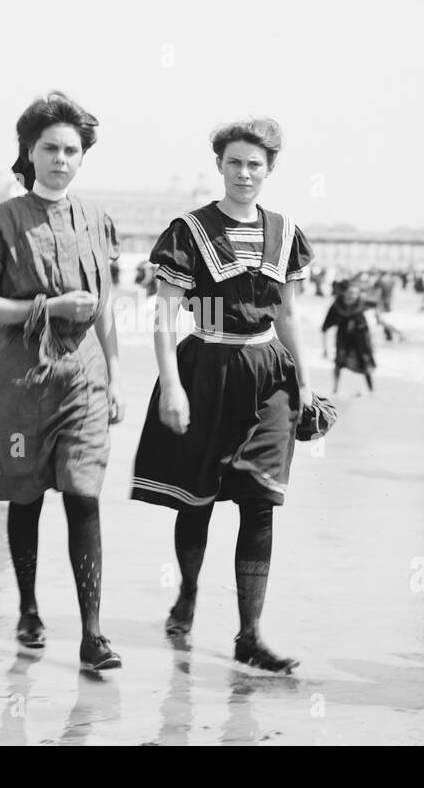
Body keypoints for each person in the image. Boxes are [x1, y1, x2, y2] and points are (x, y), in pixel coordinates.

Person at [131, 118, 314, 674]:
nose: (244, 173)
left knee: (261, 501)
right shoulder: (189, 230)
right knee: (198, 497)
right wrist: (171, 385)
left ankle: (250, 635)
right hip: (206, 365)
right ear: (220, 166)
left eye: (255, 164)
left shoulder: (284, 231)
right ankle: (187, 593)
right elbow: (164, 315)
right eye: (234, 162)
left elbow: (286, 314)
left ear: (270, 170)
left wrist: (304, 381)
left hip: (269, 374)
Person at [0, 91, 124, 672]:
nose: (60, 158)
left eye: (71, 150)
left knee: (84, 496)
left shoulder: (100, 223)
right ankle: (29, 608)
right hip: (18, 379)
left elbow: (105, 307)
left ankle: (93, 634)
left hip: (84, 378)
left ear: (83, 157)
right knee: (26, 495)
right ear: (28, 153)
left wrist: (116, 377)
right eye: (49, 148)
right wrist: (50, 305)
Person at [321, 280, 376, 394]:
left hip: (361, 338)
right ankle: (335, 389)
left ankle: (371, 391)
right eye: (350, 293)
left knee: (366, 363)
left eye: (356, 293)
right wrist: (325, 349)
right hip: (343, 338)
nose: (353, 296)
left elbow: (376, 308)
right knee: (338, 363)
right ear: (343, 293)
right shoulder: (337, 306)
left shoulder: (362, 303)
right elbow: (325, 327)